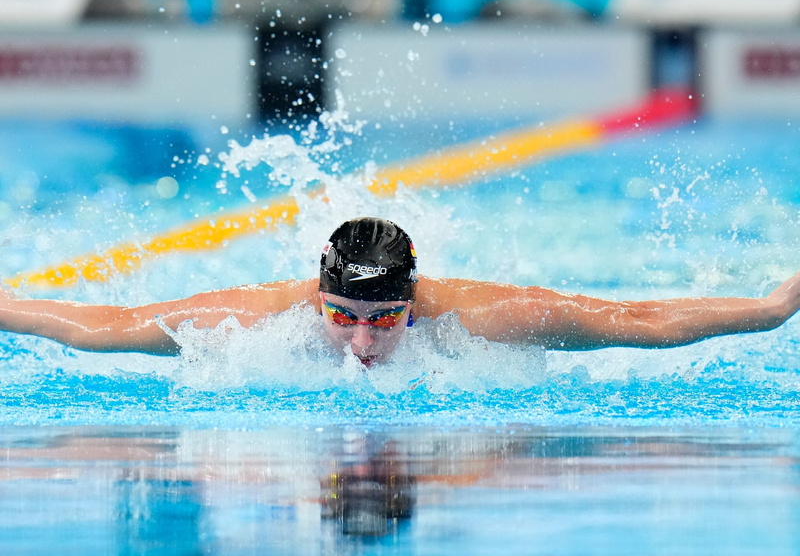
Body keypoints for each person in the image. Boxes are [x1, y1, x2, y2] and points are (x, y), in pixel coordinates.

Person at [1, 216, 799, 367]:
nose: (363, 344)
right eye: (343, 317)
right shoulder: (255, 322)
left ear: (415, 303)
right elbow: (101, 324)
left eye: (386, 320)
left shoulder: (486, 319)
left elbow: (636, 320)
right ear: (318, 300)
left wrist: (772, 310)